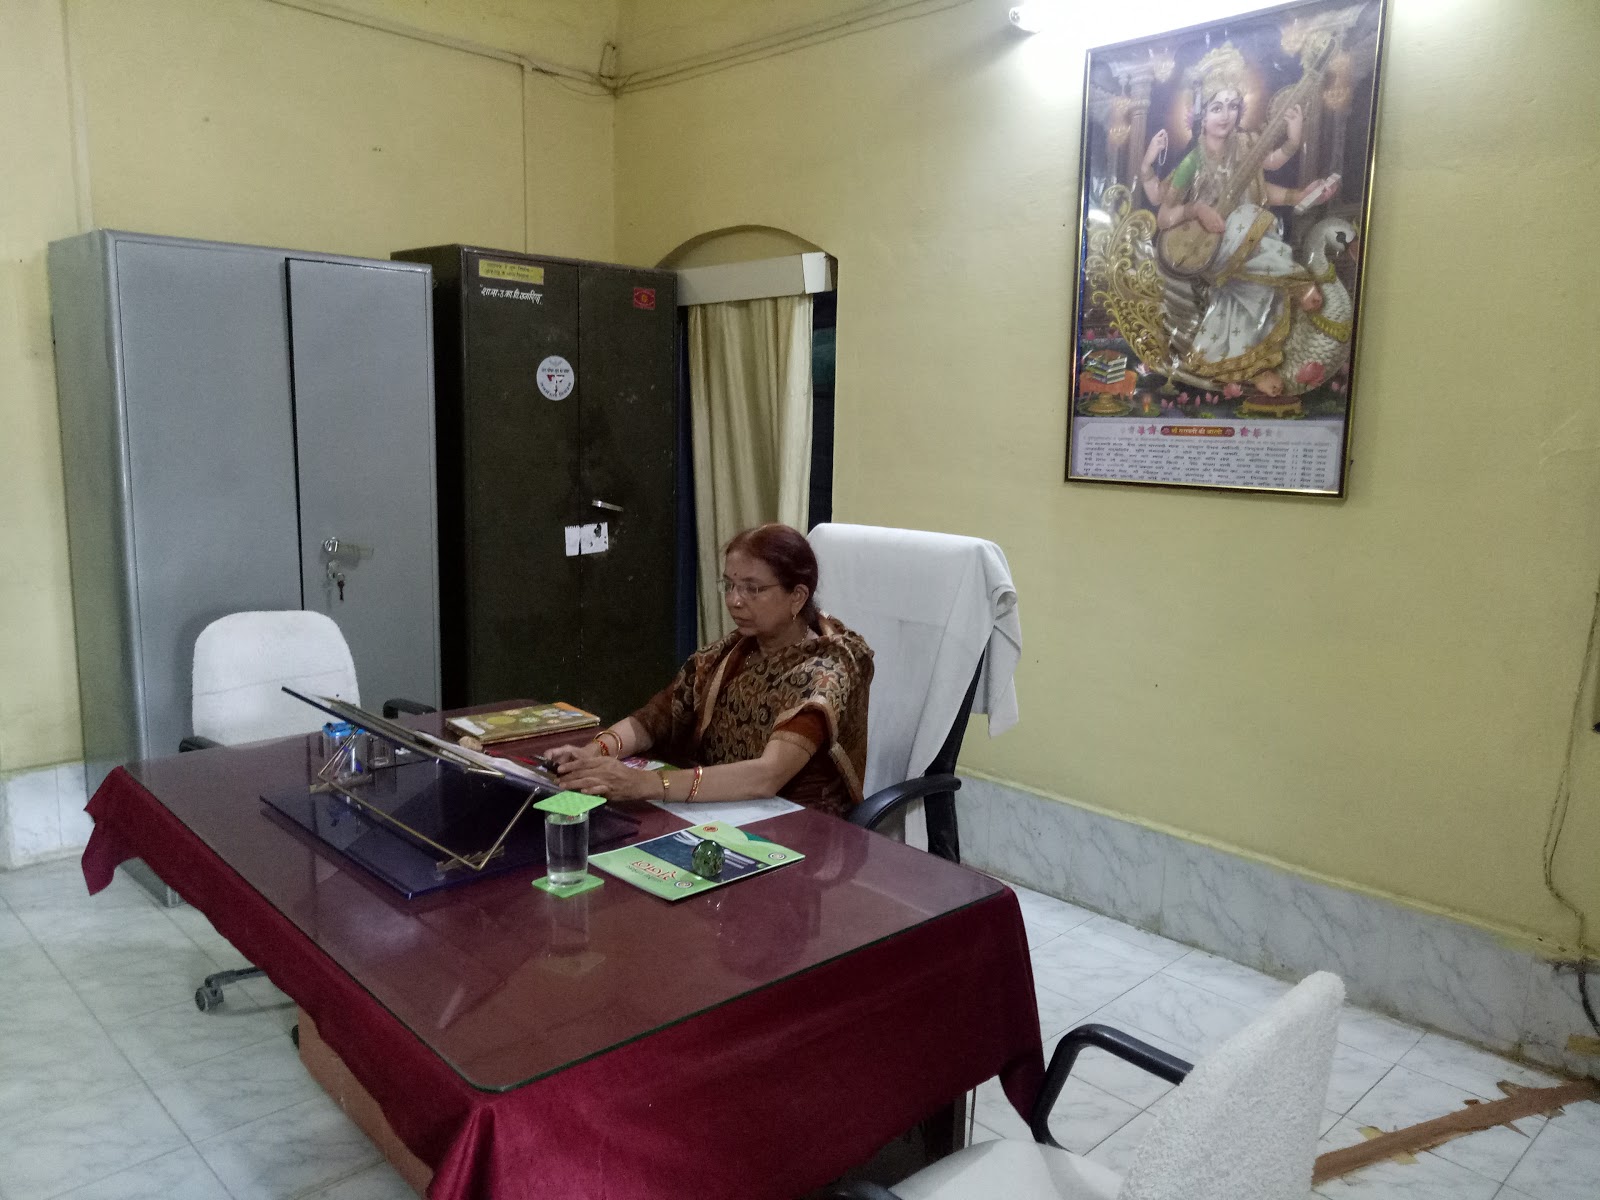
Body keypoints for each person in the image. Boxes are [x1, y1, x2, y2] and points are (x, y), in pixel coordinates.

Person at [549, 523, 873, 818]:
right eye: (729, 585)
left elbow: (768, 775)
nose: (734, 601)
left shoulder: (825, 671)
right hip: (720, 807)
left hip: (798, 824)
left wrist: (642, 783)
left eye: (752, 589)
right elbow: (655, 718)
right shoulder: (730, 653)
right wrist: (593, 754)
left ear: (797, 596)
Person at [1138, 43, 1339, 394]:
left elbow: (1266, 179)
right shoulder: (1192, 162)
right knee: (1249, 216)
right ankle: (1296, 280)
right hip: (1207, 249)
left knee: (1250, 299)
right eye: (1217, 107)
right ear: (1202, 115)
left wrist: (1295, 151)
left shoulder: (1245, 145)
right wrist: (1197, 210)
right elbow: (1165, 215)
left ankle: (1248, 368)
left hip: (1247, 247)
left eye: (1233, 106)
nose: (1226, 115)